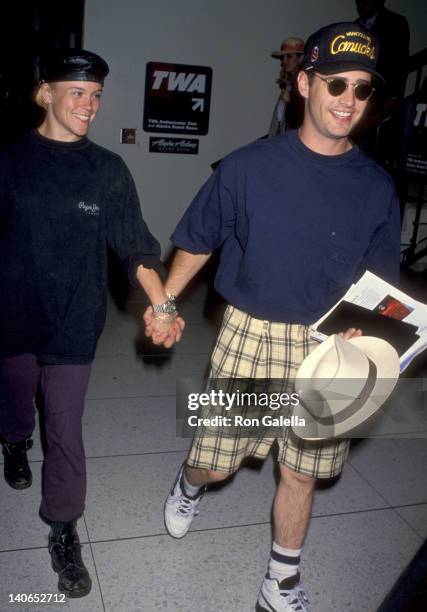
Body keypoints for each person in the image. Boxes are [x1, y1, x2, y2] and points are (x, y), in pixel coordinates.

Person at [145, 22, 401, 611]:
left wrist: (372, 333)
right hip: (253, 333)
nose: (348, 100)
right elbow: (199, 239)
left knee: (303, 471)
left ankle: (280, 581)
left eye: (362, 90)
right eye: (336, 84)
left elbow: (378, 281)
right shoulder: (247, 167)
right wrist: (165, 304)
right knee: (216, 462)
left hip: (330, 343)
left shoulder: (377, 187)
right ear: (304, 84)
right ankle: (189, 485)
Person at [0, 49, 182, 598]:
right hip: (11, 314)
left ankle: (62, 527)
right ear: (46, 93)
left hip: (75, 321)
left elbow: (137, 246)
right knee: (13, 399)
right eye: (77, 92)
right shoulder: (9, 161)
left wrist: (163, 303)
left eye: (96, 95)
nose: (90, 105)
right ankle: (12, 441)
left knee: (66, 431)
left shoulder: (107, 169)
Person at [355, 0, 410, 102]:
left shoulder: (396, 22)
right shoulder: (355, 25)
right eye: (358, 1)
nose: (360, 4)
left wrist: (394, 95)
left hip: (383, 93)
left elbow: (400, 63)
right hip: (359, 91)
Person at [268, 37, 305, 136]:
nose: (284, 61)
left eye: (289, 56)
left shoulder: (305, 88)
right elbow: (277, 122)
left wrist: (293, 101)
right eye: (282, 58)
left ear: (301, 58)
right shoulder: (287, 86)